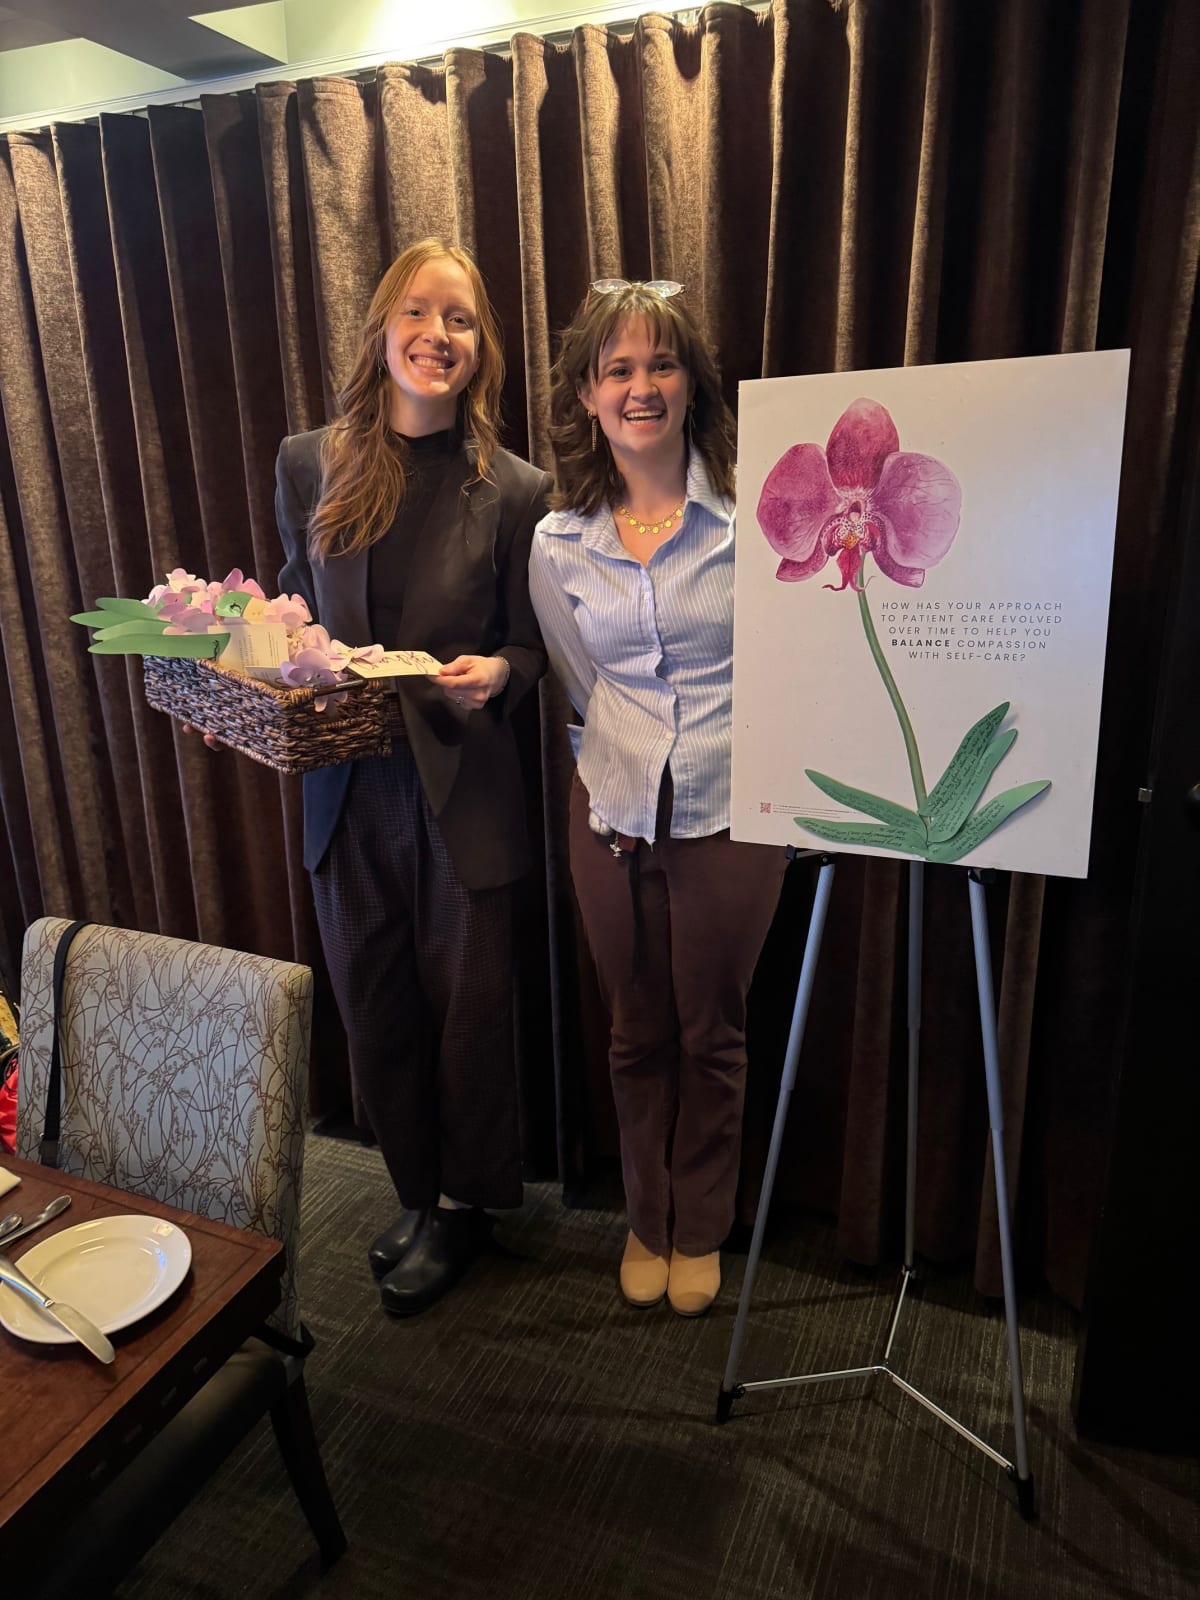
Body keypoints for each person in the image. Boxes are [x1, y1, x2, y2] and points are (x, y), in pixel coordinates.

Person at [275, 238, 550, 1317]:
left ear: (482, 351)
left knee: (470, 1016)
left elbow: (535, 648)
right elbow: (292, 615)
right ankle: (415, 1193)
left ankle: (468, 1209)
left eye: (464, 321)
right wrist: (255, 691)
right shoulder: (311, 461)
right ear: (384, 328)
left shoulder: (515, 487)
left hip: (462, 793)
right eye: (421, 314)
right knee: (374, 1008)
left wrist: (504, 674)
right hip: (346, 793)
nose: (440, 335)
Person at [528, 279, 786, 1318]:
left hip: (733, 802)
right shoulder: (558, 541)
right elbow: (576, 685)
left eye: (662, 364)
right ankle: (649, 1218)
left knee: (711, 1030)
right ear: (589, 393)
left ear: (692, 384)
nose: (642, 387)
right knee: (634, 1031)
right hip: (612, 810)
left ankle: (703, 1225)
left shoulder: (756, 519)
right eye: (619, 369)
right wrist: (624, 770)